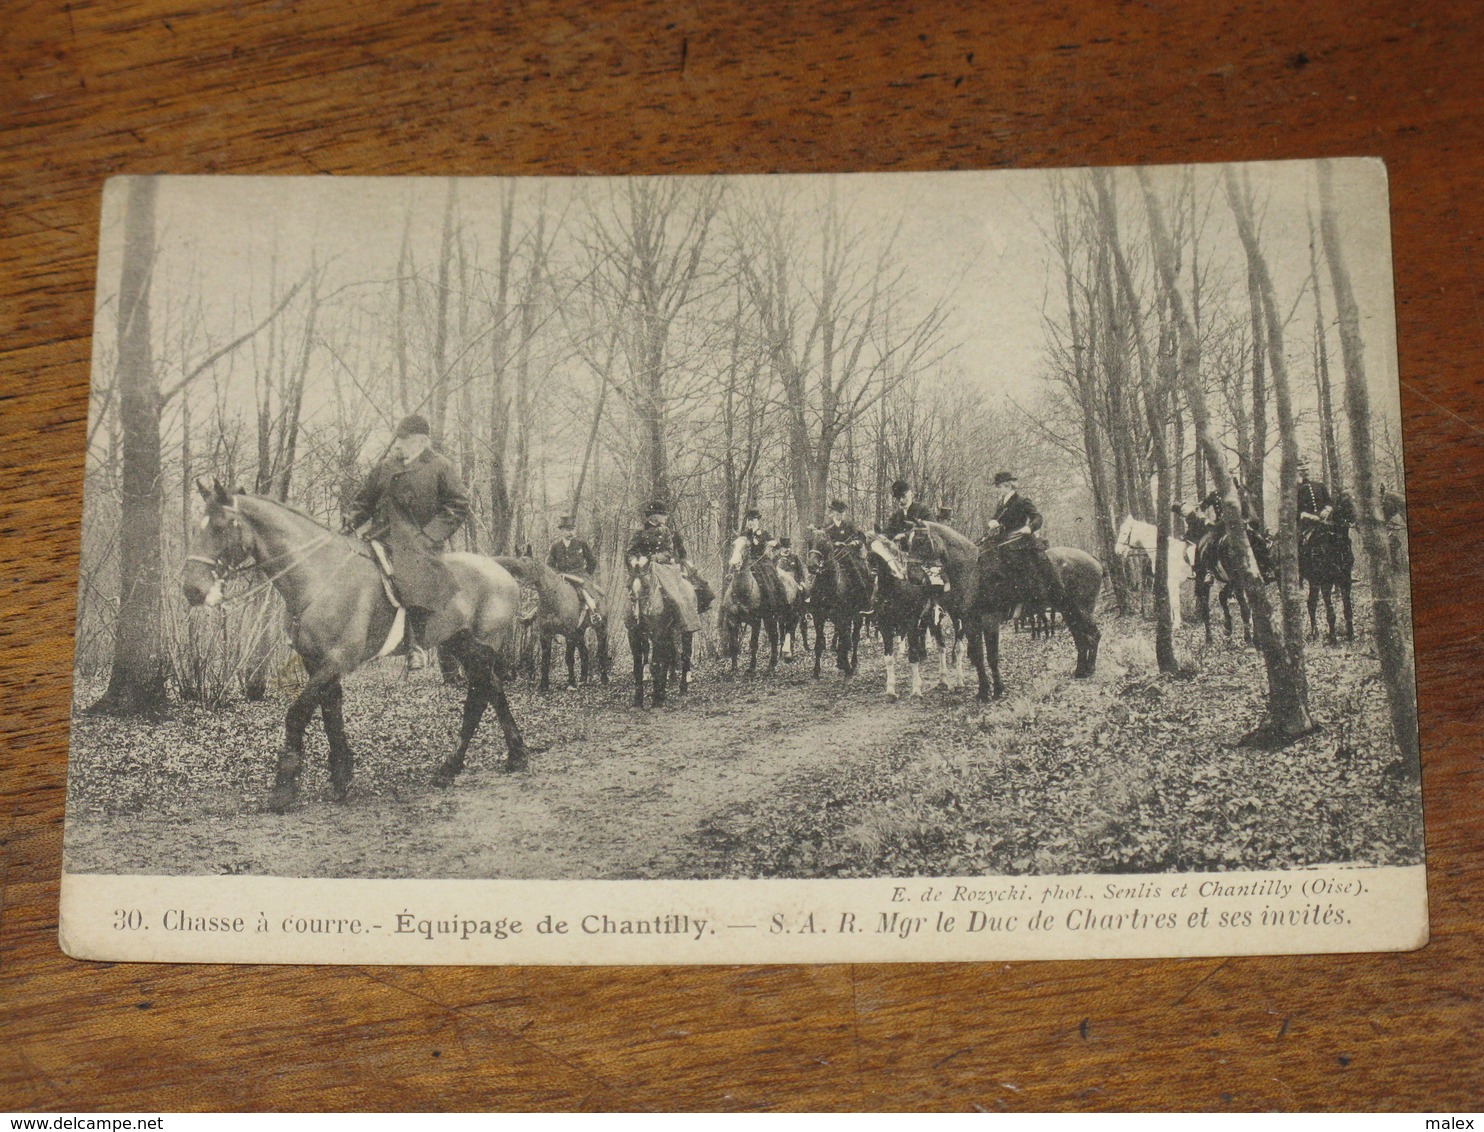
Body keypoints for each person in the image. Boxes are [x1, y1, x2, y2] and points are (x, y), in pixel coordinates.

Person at [344, 413, 470, 652]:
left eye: (404, 439)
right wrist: (350, 519)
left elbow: (458, 504)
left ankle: (416, 644)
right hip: (379, 537)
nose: (398, 443)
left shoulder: (439, 466)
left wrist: (430, 534)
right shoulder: (385, 467)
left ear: (422, 441)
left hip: (418, 542)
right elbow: (363, 502)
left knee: (411, 576)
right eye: (397, 438)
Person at [982, 471, 1071, 613]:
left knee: (1021, 564)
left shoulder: (1022, 501)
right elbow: (997, 518)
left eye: (998, 487)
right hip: (1004, 538)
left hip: (1020, 539)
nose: (997, 490)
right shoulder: (1001, 502)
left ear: (1007, 485)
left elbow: (1037, 518)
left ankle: (1025, 599)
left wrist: (1029, 528)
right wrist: (993, 522)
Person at [625, 500, 709, 631]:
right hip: (642, 569)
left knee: (675, 594)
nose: (666, 517)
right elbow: (629, 552)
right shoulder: (639, 532)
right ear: (654, 516)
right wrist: (634, 561)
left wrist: (654, 558)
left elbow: (669, 552)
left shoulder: (665, 531)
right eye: (663, 514)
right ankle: (633, 619)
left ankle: (684, 621)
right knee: (635, 591)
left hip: (662, 567)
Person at [883, 479, 946, 590]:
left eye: (904, 496)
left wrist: (906, 535)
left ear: (910, 493)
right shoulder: (897, 515)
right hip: (901, 555)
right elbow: (888, 531)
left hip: (921, 555)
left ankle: (936, 604)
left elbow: (932, 530)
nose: (901, 501)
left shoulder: (923, 510)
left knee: (934, 577)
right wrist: (883, 536)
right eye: (898, 498)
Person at [547, 514, 602, 621]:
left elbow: (592, 562)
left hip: (580, 576)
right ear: (561, 531)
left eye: (572, 529)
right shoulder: (555, 547)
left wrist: (585, 574)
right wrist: (557, 573)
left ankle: (594, 614)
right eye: (568, 530)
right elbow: (550, 564)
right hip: (562, 577)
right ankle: (533, 616)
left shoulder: (581, 544)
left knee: (587, 593)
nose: (571, 532)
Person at [734, 508, 788, 610]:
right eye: (749, 520)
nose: (750, 522)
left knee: (769, 575)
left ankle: (773, 600)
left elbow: (777, 544)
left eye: (753, 520)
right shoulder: (745, 534)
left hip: (761, 560)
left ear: (757, 521)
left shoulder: (764, 533)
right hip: (747, 560)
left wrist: (774, 543)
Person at [1297, 456, 1333, 549]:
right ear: (1298, 472)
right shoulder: (1296, 489)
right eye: (1302, 470)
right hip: (1306, 525)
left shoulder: (1320, 486)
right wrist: (1310, 516)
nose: (1305, 472)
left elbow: (1329, 502)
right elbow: (1296, 510)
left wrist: (1326, 510)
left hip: (1324, 521)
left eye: (1307, 469)